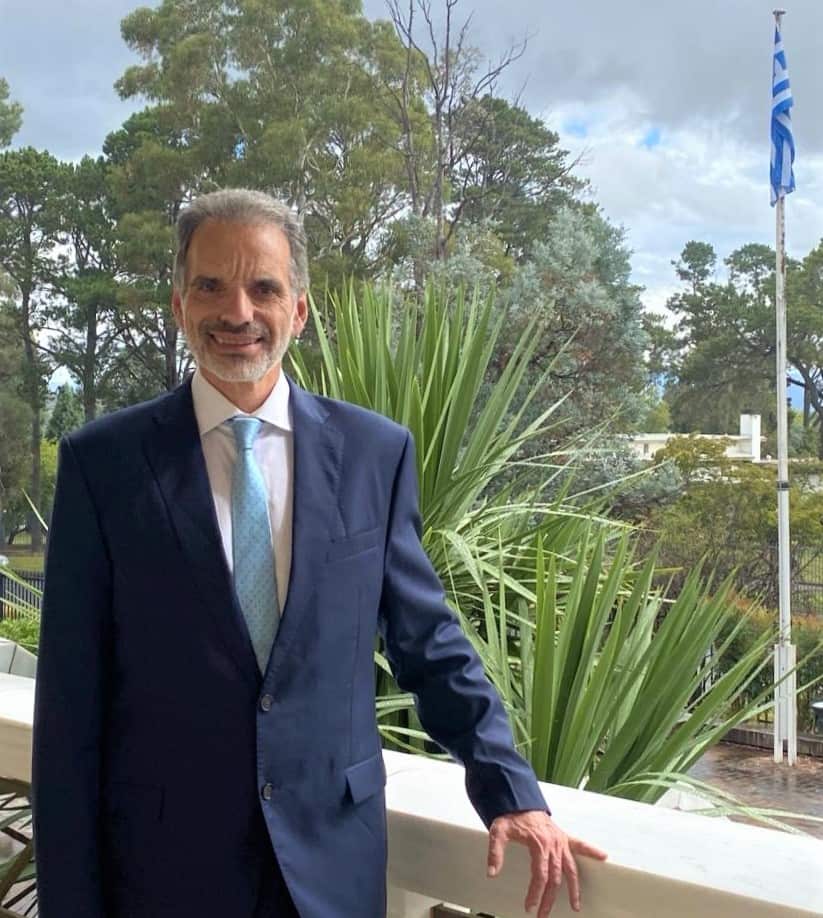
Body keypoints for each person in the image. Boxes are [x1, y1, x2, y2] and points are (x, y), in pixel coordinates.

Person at [32, 188, 606, 918]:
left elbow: (426, 641)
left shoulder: (375, 453)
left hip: (331, 866)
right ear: (178, 305)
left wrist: (508, 790)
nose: (237, 312)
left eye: (263, 287)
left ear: (297, 310)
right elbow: (70, 708)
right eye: (209, 285)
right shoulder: (102, 464)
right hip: (161, 871)